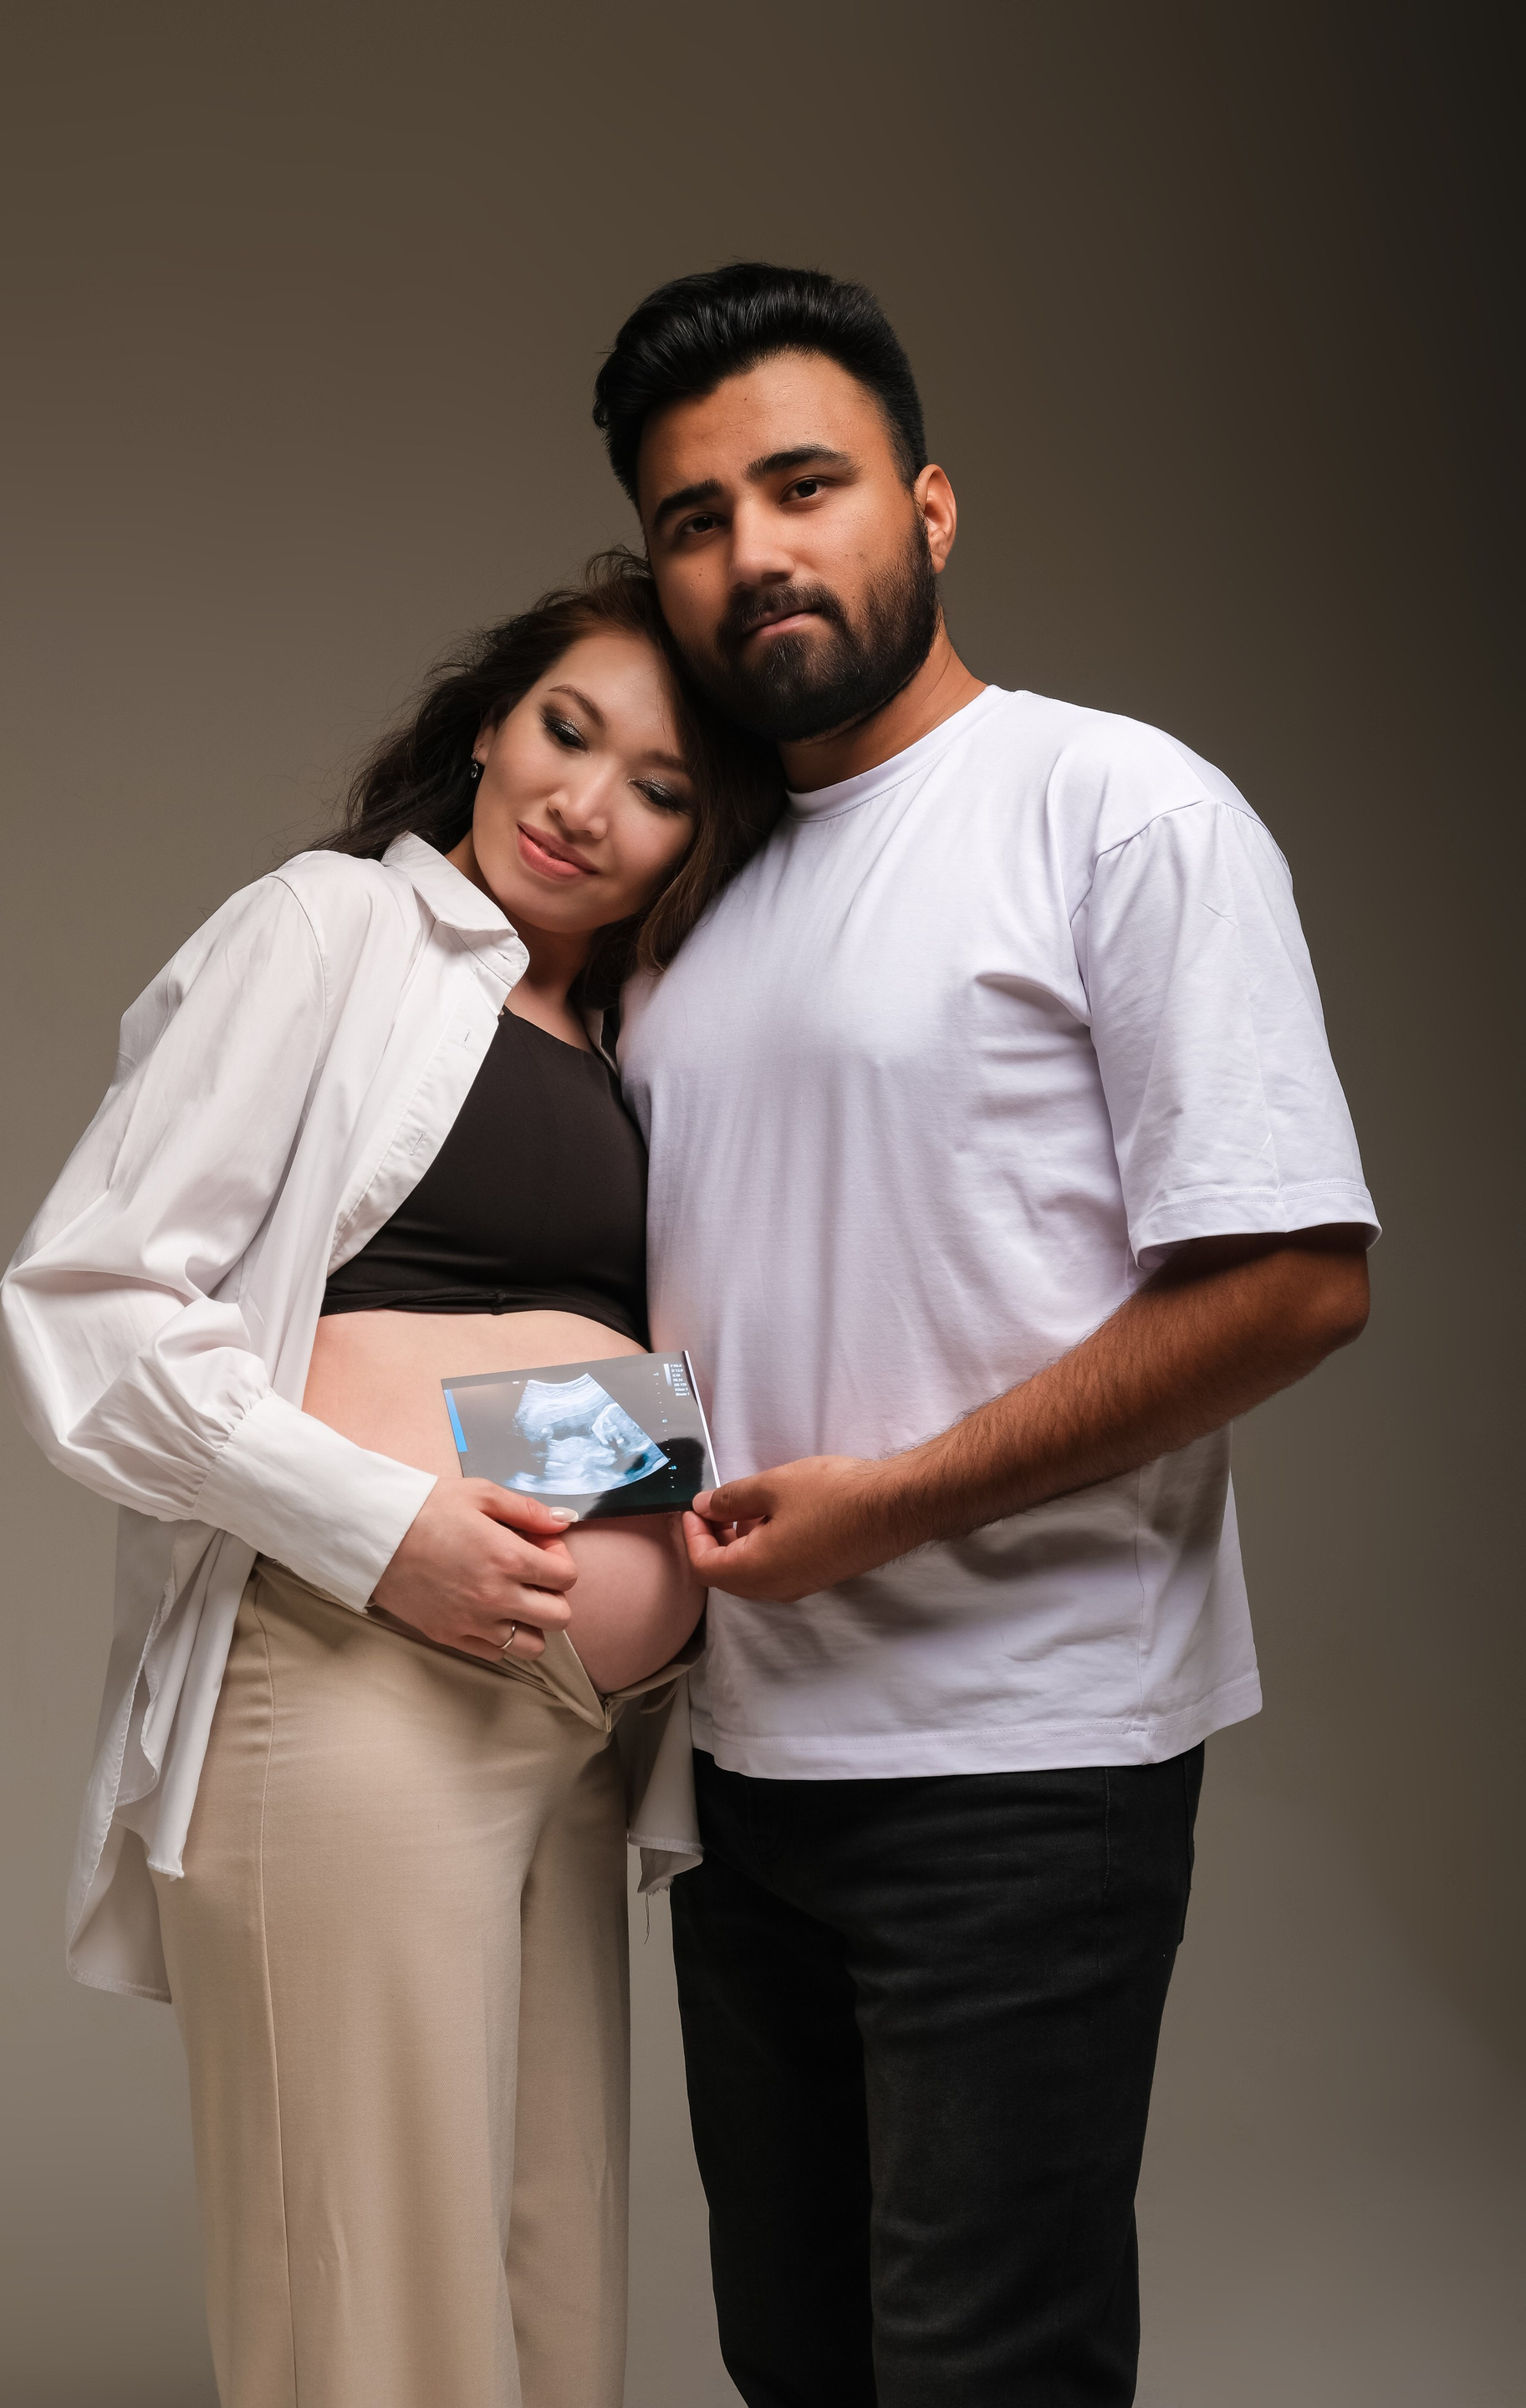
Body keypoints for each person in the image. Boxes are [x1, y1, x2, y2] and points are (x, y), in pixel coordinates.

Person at [593, 263, 1379, 2407]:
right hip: (740, 1764)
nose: (753, 552)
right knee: (797, 2363)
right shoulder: (691, 898)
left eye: (805, 485)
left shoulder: (1115, 808)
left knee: (981, 2373)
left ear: (928, 508)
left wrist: (896, 1507)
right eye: (692, 519)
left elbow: (1299, 1278)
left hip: (1023, 1758)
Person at [0, 552, 783, 2408]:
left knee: (549, 2310)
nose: (584, 803)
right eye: (564, 731)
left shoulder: (640, 1044)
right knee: (374, 2333)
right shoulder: (337, 930)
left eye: (659, 787)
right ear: (489, 726)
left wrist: (639, 1555)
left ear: (702, 840)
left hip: (576, 1722)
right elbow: (90, 1307)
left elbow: (599, 1380)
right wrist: (390, 1530)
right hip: (361, 1668)